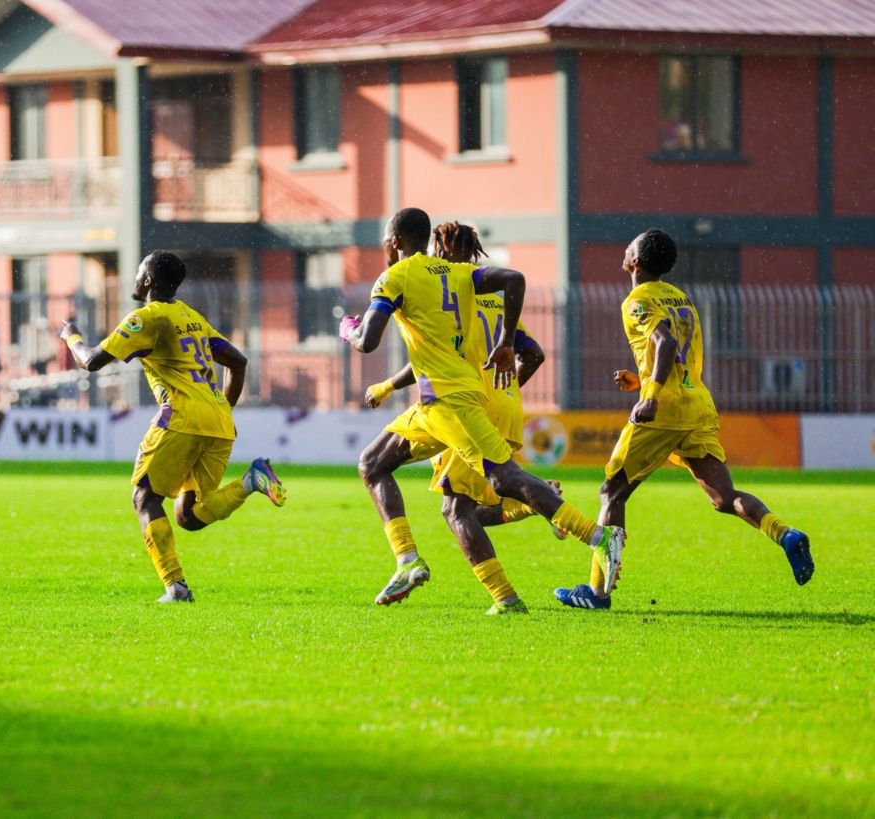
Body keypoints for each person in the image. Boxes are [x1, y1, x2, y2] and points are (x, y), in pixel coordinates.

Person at [341, 207, 625, 615]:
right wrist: (506, 340)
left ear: (395, 241)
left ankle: (597, 537)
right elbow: (513, 280)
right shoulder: (461, 277)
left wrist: (348, 329)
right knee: (373, 463)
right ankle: (408, 561)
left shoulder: (396, 277)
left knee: (497, 481)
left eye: (386, 241)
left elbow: (368, 341)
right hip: (442, 400)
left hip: (453, 401)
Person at [554, 229, 814, 610]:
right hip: (697, 405)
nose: (625, 247)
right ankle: (786, 535)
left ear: (635, 261)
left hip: (665, 410)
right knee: (724, 498)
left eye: (631, 244)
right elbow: (678, 355)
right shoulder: (681, 298)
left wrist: (651, 396)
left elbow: (666, 344)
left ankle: (597, 592)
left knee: (612, 492)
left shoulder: (637, 300)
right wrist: (642, 379)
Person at [60, 250, 287, 603]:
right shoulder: (191, 317)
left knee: (144, 497)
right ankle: (251, 480)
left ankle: (176, 588)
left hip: (180, 416)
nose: (135, 278)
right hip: (219, 421)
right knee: (189, 515)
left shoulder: (146, 318)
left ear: (148, 280)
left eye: (139, 272)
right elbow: (238, 362)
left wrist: (71, 337)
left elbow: (90, 361)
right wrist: (220, 409)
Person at [364, 221, 568, 539]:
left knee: (456, 509)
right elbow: (535, 355)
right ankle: (537, 503)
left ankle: (551, 508)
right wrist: (504, 387)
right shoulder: (497, 301)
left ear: (440, 249)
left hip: (464, 404)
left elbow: (433, 358)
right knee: (468, 504)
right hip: (504, 408)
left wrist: (386, 387)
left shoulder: (452, 297)